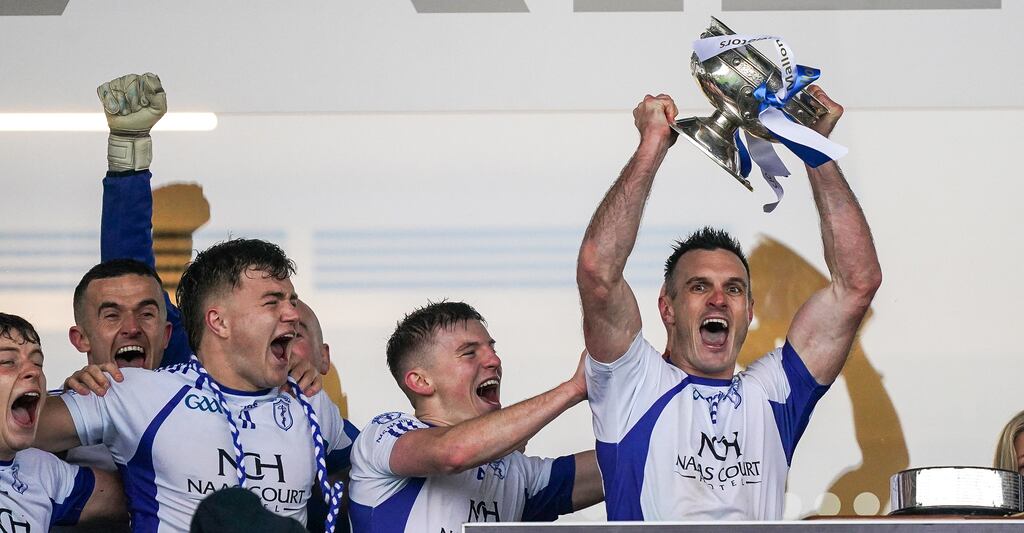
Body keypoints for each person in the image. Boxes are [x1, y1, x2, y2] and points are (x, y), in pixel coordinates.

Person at [575, 88, 881, 520]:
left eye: (734, 289)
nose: (719, 299)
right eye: (700, 287)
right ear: (667, 308)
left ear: (750, 312)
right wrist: (651, 147)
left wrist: (816, 148)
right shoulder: (633, 383)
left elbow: (856, 285)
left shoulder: (772, 392)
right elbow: (598, 273)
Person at [35, 239, 355, 532]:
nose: (292, 314)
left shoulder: (310, 400)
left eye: (291, 300)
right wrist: (40, 393)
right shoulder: (135, 392)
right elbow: (13, 432)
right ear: (218, 322)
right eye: (273, 303)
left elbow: (367, 467)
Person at [348, 301, 603, 532]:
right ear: (421, 381)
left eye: (491, 348)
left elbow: (621, 463)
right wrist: (574, 388)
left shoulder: (516, 471)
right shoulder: (384, 434)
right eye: (469, 353)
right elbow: (451, 453)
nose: (494, 360)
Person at [0, 313, 127, 528]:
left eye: (38, 362)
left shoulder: (43, 470)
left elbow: (152, 494)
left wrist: (90, 403)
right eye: (7, 362)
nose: (33, 371)